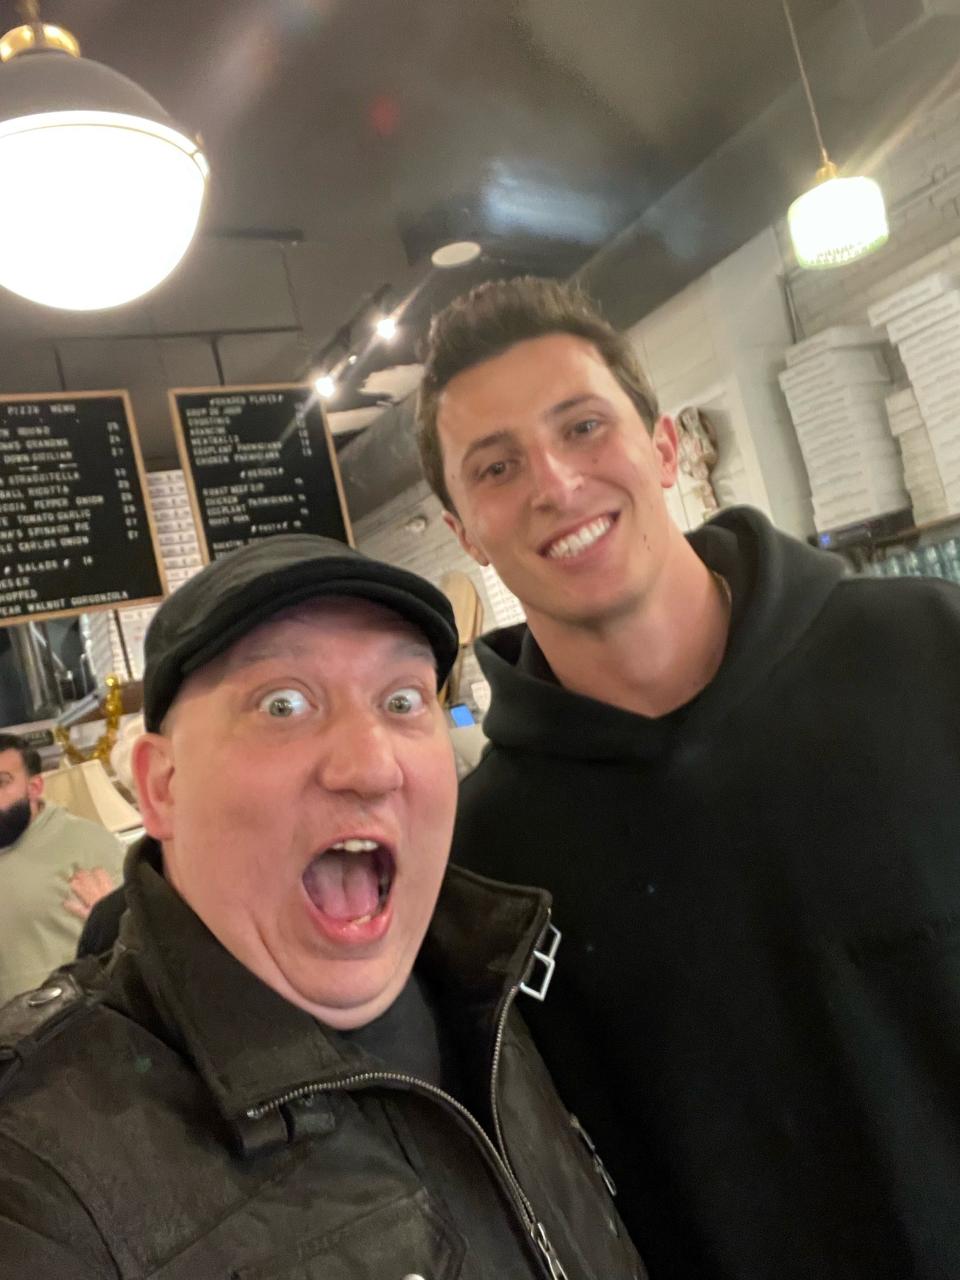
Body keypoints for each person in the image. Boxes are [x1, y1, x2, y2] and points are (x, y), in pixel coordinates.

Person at [415, 275, 960, 1280]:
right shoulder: (481, 868)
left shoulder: (930, 653)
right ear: (464, 531)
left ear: (663, 447)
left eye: (582, 426)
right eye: (496, 466)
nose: (554, 482)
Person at [0, 534, 644, 1280]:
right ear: (163, 787)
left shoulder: (500, 992)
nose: (371, 765)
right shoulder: (38, 1166)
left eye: (403, 700)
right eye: (284, 703)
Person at [0, 733, 124, 1005]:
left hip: (77, 1030)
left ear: (34, 786)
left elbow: (140, 943)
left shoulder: (88, 844)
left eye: (1, 782)